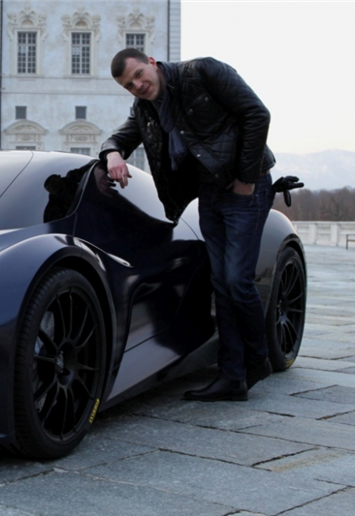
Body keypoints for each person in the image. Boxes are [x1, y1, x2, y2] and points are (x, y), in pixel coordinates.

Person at [100, 48, 275, 401]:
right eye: (129, 85)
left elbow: (257, 114)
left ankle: (258, 358)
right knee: (221, 284)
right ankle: (232, 377)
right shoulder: (145, 109)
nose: (137, 86)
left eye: (138, 75)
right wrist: (112, 152)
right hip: (210, 193)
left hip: (246, 188)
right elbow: (121, 136)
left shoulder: (202, 72)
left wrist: (245, 178)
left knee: (237, 281)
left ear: (151, 63)